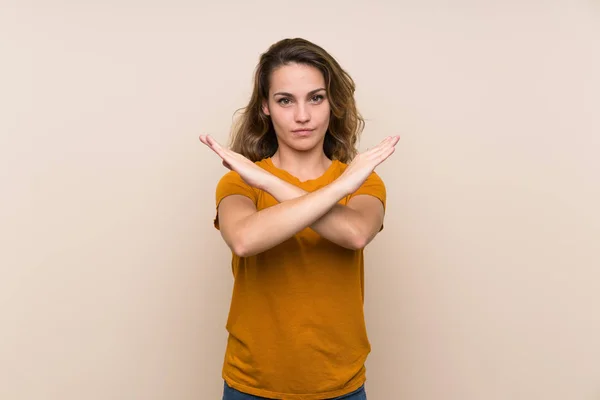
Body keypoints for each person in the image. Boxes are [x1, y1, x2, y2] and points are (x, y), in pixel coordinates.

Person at [199, 37, 399, 400]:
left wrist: (270, 182)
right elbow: (244, 240)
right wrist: (332, 188)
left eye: (316, 98)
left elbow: (354, 233)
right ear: (265, 107)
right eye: (285, 100)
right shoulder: (239, 181)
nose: (302, 115)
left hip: (340, 386)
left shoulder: (363, 180)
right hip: (251, 386)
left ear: (333, 104)